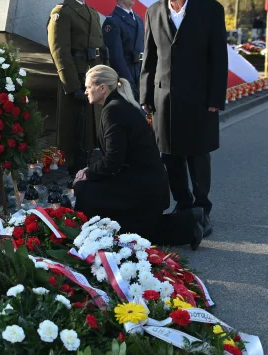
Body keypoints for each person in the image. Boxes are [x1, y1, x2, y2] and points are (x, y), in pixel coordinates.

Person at [73, 66, 208, 248]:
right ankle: (190, 221)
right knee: (137, 233)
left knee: (85, 190)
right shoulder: (119, 105)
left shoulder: (114, 111)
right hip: (144, 184)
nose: (86, 91)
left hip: (142, 188)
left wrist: (88, 172)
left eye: (89, 87)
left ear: (102, 88)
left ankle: (87, 239)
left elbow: (113, 160)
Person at [140, 0, 228, 237]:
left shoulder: (210, 10)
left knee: (198, 155)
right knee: (170, 156)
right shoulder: (153, 12)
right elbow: (149, 58)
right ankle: (183, 204)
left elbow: (219, 58)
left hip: (200, 99)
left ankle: (202, 207)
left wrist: (216, 96)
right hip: (164, 98)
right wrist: (146, 95)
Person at [47, 0, 107, 172]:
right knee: (75, 133)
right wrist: (72, 86)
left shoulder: (92, 13)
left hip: (94, 78)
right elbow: (60, 52)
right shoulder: (62, 13)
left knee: (92, 130)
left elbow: (100, 49)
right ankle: (74, 173)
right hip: (77, 80)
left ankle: (89, 169)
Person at [103, 0, 145, 98]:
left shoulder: (138, 19)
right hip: (126, 77)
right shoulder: (112, 21)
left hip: (140, 75)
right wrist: (128, 82)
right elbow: (116, 57)